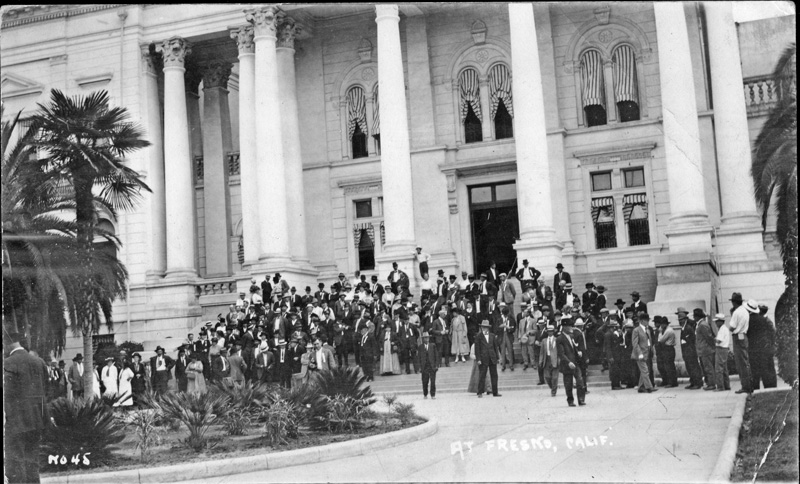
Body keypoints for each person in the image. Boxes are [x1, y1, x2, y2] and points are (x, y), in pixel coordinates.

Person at [4, 332, 49, 484]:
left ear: (7, 343)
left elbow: (6, 394)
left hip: (16, 422)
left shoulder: (8, 363)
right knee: (32, 461)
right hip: (37, 421)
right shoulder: (39, 362)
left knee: (16, 463)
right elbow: (47, 390)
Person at [728, 293, 755, 394]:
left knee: (740, 363)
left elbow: (732, 327)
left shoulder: (736, 312)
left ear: (734, 302)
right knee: (745, 362)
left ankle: (745, 386)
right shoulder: (745, 311)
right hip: (744, 336)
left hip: (738, 337)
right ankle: (749, 384)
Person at [557, 318, 586, 407]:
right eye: (569, 326)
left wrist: (578, 353)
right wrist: (568, 362)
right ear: (564, 327)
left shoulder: (571, 336)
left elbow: (573, 348)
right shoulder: (560, 339)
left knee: (580, 381)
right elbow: (561, 354)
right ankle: (570, 400)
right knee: (568, 384)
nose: (571, 327)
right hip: (567, 364)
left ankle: (581, 399)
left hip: (575, 363)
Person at [748, 304, 778, 389]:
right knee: (768, 369)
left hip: (762, 348)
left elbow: (772, 333)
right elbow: (773, 333)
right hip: (767, 348)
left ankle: (765, 386)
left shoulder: (763, 320)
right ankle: (770, 385)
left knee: (763, 369)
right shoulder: (765, 320)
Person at [676, 307, 703, 389]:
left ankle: (697, 383)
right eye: (679, 320)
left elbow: (691, 340)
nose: (680, 322)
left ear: (685, 319)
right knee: (689, 367)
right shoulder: (684, 328)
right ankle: (693, 382)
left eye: (681, 320)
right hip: (686, 352)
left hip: (690, 352)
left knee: (693, 367)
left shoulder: (688, 328)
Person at [474, 320, 501, 398]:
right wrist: (478, 359)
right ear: (481, 327)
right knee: (482, 375)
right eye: (483, 327)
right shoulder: (478, 336)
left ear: (488, 328)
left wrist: (498, 357)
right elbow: (477, 349)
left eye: (486, 327)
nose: (484, 329)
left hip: (492, 357)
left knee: (494, 375)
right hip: (483, 358)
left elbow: (495, 347)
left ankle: (495, 392)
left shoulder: (492, 336)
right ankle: (480, 392)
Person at [632, 313, 657, 393]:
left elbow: (649, 342)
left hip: (648, 352)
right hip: (640, 354)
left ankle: (641, 387)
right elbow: (635, 344)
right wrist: (640, 354)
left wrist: (652, 351)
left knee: (644, 371)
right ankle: (649, 387)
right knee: (645, 370)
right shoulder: (636, 330)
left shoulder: (648, 330)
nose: (648, 322)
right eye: (647, 320)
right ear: (642, 321)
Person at [694, 309, 717, 390]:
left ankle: (712, 384)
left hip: (706, 350)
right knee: (706, 368)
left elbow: (709, 337)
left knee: (708, 368)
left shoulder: (702, 325)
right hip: (703, 350)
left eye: (694, 316)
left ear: (697, 316)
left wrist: (712, 347)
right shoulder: (700, 324)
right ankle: (709, 383)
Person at [655, 316, 678, 387]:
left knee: (669, 366)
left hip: (668, 348)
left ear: (665, 324)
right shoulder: (666, 330)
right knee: (668, 366)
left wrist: (660, 332)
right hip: (667, 349)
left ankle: (672, 382)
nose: (661, 326)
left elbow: (661, 340)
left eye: (662, 324)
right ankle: (671, 381)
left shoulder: (668, 331)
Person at [604, 319, 625, 390]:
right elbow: (608, 347)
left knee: (617, 370)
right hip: (613, 355)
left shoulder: (612, 334)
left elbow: (617, 342)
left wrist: (620, 335)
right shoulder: (608, 334)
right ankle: (615, 385)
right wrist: (610, 357)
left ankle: (617, 384)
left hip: (616, 355)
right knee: (614, 370)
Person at [712, 314, 731, 392]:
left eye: (717, 321)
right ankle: (727, 385)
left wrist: (713, 339)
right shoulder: (724, 329)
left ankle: (720, 386)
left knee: (718, 368)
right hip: (724, 349)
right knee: (724, 368)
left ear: (720, 321)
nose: (716, 323)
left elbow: (719, 341)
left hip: (721, 349)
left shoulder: (722, 329)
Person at [539, 325, 560, 396]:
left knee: (555, 377)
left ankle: (553, 391)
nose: (550, 333)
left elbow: (560, 351)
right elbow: (541, 352)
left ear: (553, 332)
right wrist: (540, 361)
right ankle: (553, 387)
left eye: (551, 331)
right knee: (547, 377)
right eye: (549, 331)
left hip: (554, 360)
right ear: (547, 332)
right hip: (547, 359)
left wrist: (559, 360)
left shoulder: (557, 340)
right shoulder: (544, 341)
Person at [418, 332, 439, 399]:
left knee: (433, 381)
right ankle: (425, 394)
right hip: (424, 366)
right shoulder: (420, 347)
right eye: (425, 338)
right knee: (425, 381)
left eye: (427, 337)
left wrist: (436, 365)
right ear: (423, 339)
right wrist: (419, 367)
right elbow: (419, 358)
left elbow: (436, 356)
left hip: (432, 366)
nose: (426, 339)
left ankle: (433, 395)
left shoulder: (433, 345)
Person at [517, 306, 537, 371]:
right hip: (523, 338)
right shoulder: (521, 321)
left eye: (526, 312)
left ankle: (533, 363)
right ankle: (525, 363)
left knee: (531, 351)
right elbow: (519, 330)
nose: (524, 313)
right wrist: (519, 338)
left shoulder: (533, 320)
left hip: (530, 338)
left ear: (529, 313)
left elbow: (535, 330)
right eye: (524, 312)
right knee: (524, 351)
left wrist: (530, 332)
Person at [497, 305, 515, 371]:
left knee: (510, 350)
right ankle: (503, 365)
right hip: (502, 335)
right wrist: (500, 327)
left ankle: (511, 365)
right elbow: (496, 329)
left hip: (509, 335)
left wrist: (509, 328)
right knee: (502, 351)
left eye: (506, 315)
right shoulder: (499, 320)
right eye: (504, 315)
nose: (505, 316)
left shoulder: (511, 319)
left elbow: (514, 328)